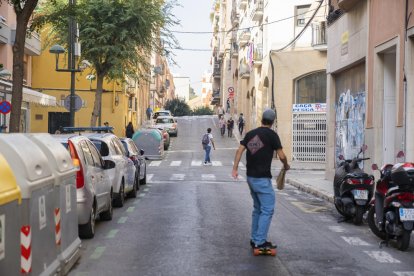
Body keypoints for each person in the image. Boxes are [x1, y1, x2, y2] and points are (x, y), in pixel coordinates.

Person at [231, 108, 290, 251]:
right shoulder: (272, 135)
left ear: (262, 119)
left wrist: (235, 169)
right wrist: (286, 164)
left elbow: (239, 150)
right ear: (273, 121)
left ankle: (254, 238)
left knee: (258, 208)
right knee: (268, 209)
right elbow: (281, 155)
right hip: (262, 179)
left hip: (250, 177)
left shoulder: (251, 133)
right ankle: (260, 241)